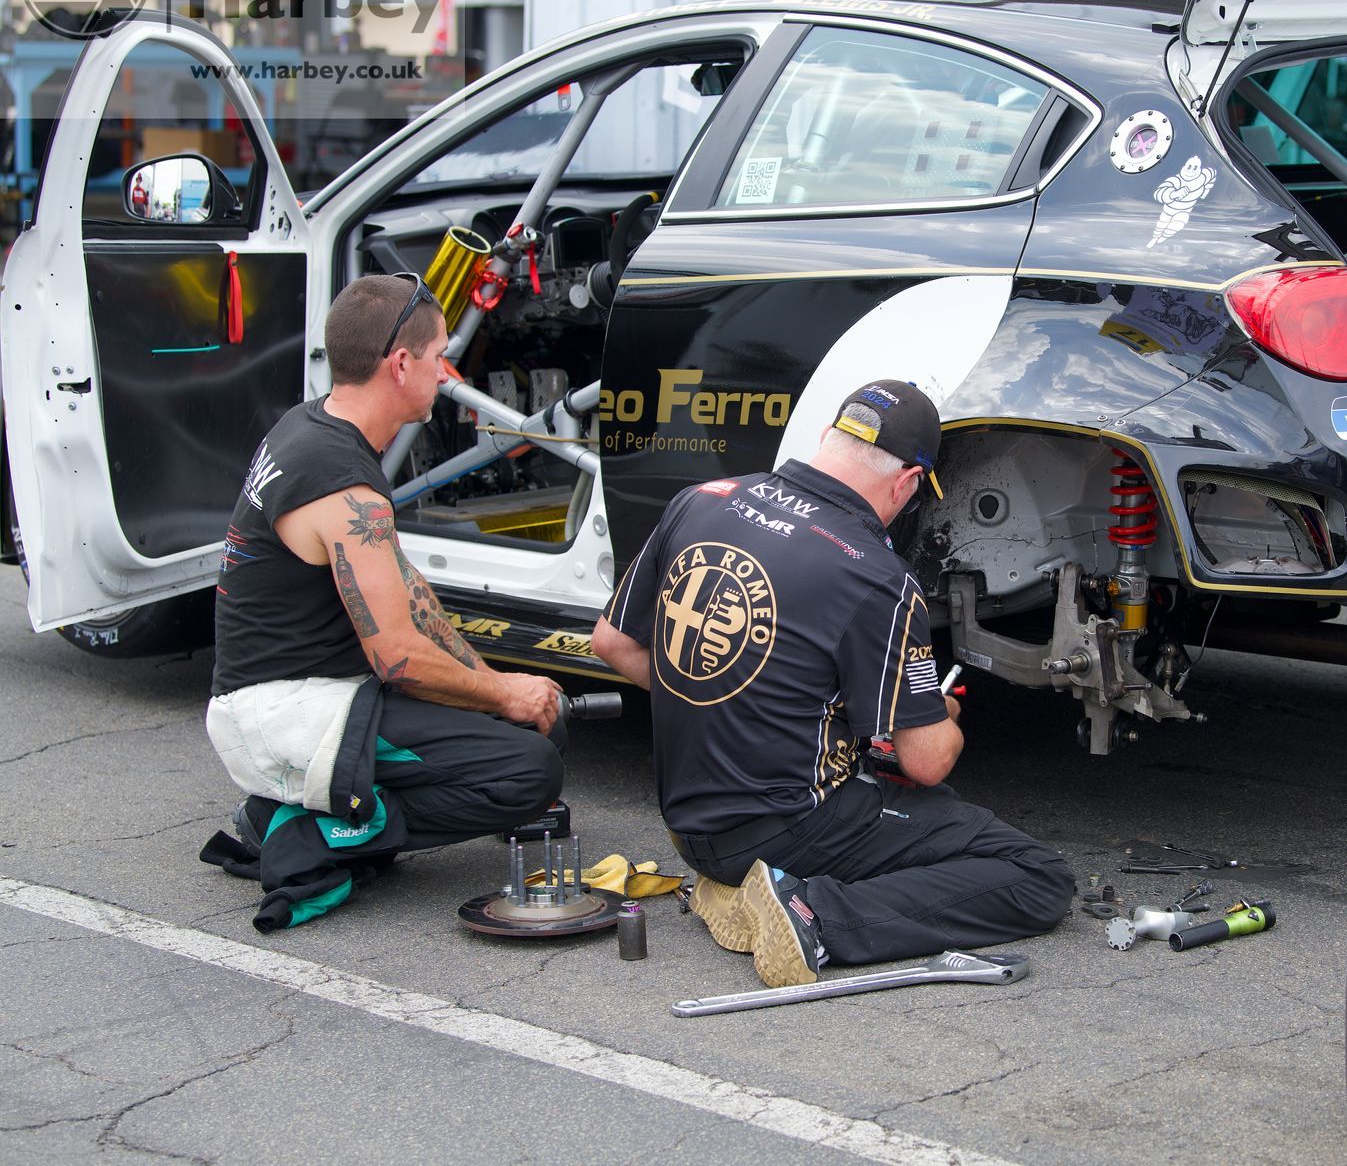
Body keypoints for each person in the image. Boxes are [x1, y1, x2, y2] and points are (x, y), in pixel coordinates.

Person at [592, 380, 1074, 989]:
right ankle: (813, 916)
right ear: (906, 485)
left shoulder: (703, 499)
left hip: (691, 828)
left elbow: (611, 643)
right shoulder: (877, 576)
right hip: (786, 825)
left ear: (828, 438)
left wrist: (743, 701)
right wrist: (942, 718)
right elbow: (924, 762)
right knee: (1034, 875)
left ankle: (749, 888)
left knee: (910, 813)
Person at [201, 274, 564, 931]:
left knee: (538, 721)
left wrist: (499, 684)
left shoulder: (315, 426)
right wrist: (502, 696)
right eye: (436, 357)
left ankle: (329, 802)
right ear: (400, 365)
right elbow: (397, 656)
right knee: (527, 774)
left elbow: (409, 597)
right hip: (280, 713)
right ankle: (303, 828)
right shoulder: (343, 488)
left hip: (317, 692)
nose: (445, 370)